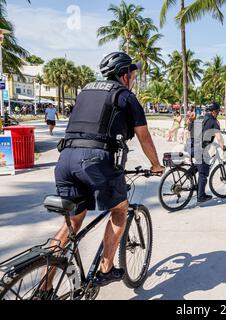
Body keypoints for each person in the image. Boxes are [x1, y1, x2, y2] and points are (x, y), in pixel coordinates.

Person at [37, 52, 164, 296]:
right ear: (124, 74)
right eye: (133, 74)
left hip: (65, 160)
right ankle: (106, 268)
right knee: (119, 210)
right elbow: (143, 135)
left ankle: (44, 285)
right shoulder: (125, 95)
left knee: (73, 222)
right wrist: (155, 164)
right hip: (96, 162)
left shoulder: (85, 91)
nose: (134, 79)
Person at [190, 102, 226, 203]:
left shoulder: (200, 118)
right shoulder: (213, 121)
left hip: (190, 146)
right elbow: (218, 136)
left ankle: (189, 174)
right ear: (214, 111)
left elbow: (190, 130)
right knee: (203, 172)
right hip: (199, 149)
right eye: (218, 111)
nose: (218, 113)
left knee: (199, 165)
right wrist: (223, 147)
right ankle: (201, 196)